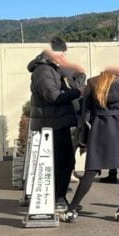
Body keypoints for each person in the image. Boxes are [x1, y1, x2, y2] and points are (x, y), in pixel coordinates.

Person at [64, 67, 119, 223]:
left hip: (99, 129)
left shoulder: (93, 83)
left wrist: (84, 139)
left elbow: (86, 113)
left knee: (90, 172)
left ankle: (71, 210)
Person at [27, 48, 84, 211]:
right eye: (62, 53)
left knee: (66, 162)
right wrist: (78, 92)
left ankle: (60, 198)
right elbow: (53, 96)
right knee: (60, 163)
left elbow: (75, 81)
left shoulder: (55, 69)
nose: (65, 57)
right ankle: (57, 199)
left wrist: (78, 74)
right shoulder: (43, 71)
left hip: (59, 122)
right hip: (51, 124)